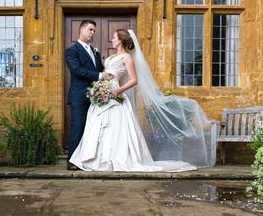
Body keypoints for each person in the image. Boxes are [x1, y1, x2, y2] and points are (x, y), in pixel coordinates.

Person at [69, 29, 217, 172]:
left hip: (115, 93)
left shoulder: (127, 58)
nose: (112, 40)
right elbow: (102, 73)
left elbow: (134, 80)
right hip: (102, 95)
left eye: (114, 37)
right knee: (98, 125)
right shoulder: (109, 57)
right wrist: (100, 87)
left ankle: (115, 158)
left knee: (116, 128)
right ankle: (96, 159)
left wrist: (118, 90)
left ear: (121, 40)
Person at [64, 20, 111, 170]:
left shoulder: (95, 52)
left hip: (97, 96)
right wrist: (99, 75)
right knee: (78, 126)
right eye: (90, 30)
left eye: (94, 31)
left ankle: (88, 159)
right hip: (79, 95)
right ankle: (72, 160)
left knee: (93, 128)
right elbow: (77, 70)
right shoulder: (71, 51)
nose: (93, 33)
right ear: (81, 29)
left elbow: (101, 69)